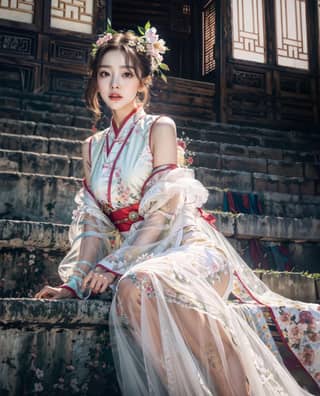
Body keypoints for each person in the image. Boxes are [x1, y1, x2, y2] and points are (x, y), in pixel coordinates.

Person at [35, 21, 319, 396]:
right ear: (95, 81)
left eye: (126, 74)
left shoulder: (159, 128)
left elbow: (163, 213)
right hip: (138, 258)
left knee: (137, 281)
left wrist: (113, 264)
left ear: (143, 81)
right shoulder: (92, 147)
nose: (114, 84)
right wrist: (75, 282)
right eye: (105, 74)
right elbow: (91, 223)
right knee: (131, 290)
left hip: (187, 247)